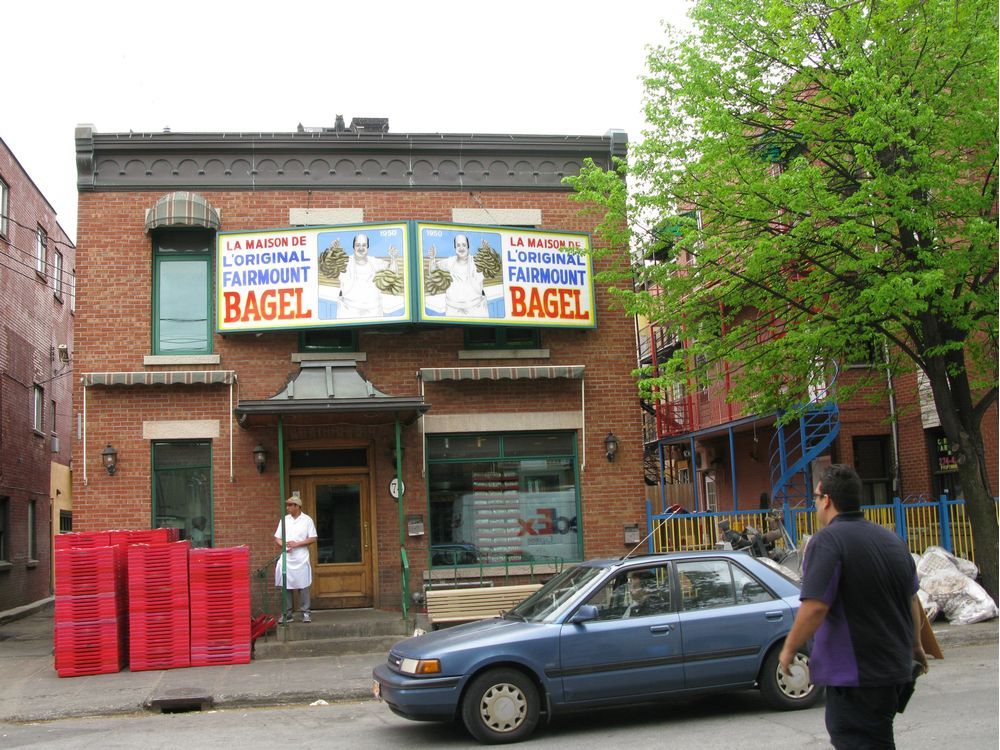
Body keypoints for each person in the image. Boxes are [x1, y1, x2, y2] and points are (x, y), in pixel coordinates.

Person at [779, 464, 927, 749]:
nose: (815, 505)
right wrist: (916, 647)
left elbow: (815, 607)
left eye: (815, 498)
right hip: (893, 672)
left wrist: (788, 649)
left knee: (857, 741)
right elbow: (912, 599)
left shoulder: (827, 541)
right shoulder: (891, 540)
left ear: (827, 500)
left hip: (855, 676)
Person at [274, 495, 318, 624]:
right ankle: (287, 614)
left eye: (290, 505)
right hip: (287, 557)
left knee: (303, 585)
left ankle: (305, 612)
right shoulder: (284, 520)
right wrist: (284, 545)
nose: (287, 507)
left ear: (297, 506)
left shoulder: (307, 520)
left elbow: (313, 538)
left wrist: (296, 544)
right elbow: (277, 537)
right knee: (285, 585)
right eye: (287, 505)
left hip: (301, 557)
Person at [430, 234, 488, 317]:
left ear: (468, 247)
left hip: (476, 309)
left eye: (464, 245)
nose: (461, 248)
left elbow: (489, 267)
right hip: (453, 309)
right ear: (455, 248)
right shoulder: (450, 262)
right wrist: (432, 258)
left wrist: (486, 252)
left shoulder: (476, 262)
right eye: (458, 245)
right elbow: (433, 270)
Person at [338, 233, 386, 318]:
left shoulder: (375, 262)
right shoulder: (345, 262)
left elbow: (392, 271)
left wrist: (393, 258)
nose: (361, 248)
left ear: (367, 247)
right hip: (349, 312)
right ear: (353, 247)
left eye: (364, 245)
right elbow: (330, 267)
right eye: (358, 245)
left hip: (374, 313)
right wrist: (333, 250)